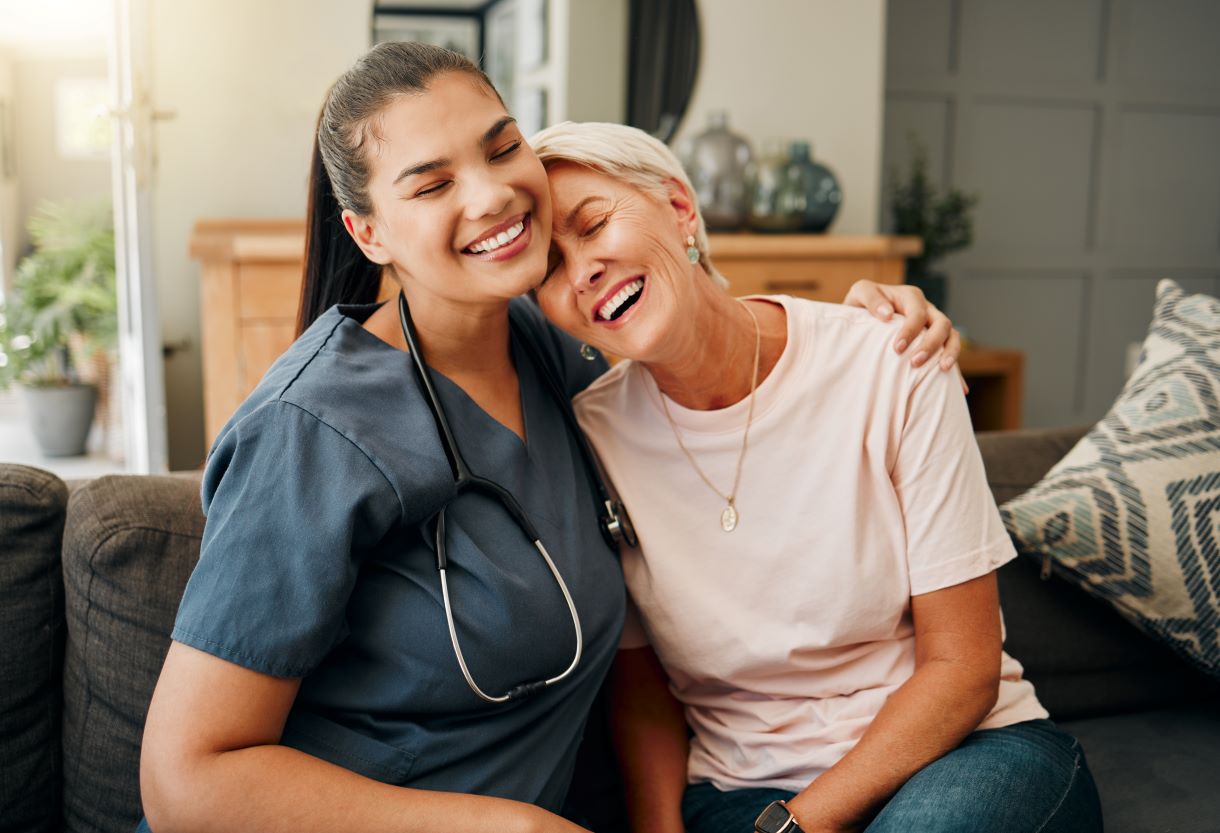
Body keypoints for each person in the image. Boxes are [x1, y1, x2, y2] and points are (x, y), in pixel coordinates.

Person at [136, 43, 957, 833]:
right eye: (432, 185)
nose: (491, 195)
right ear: (369, 233)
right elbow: (188, 781)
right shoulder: (309, 429)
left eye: (501, 149)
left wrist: (863, 321)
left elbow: (702, 320)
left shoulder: (560, 343)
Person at [530, 121, 1104, 833]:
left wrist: (796, 826)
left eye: (593, 225)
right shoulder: (590, 438)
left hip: (963, 759)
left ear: (680, 209)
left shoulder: (890, 360)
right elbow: (642, 688)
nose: (580, 268)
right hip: (739, 791)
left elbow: (963, 666)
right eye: (548, 269)